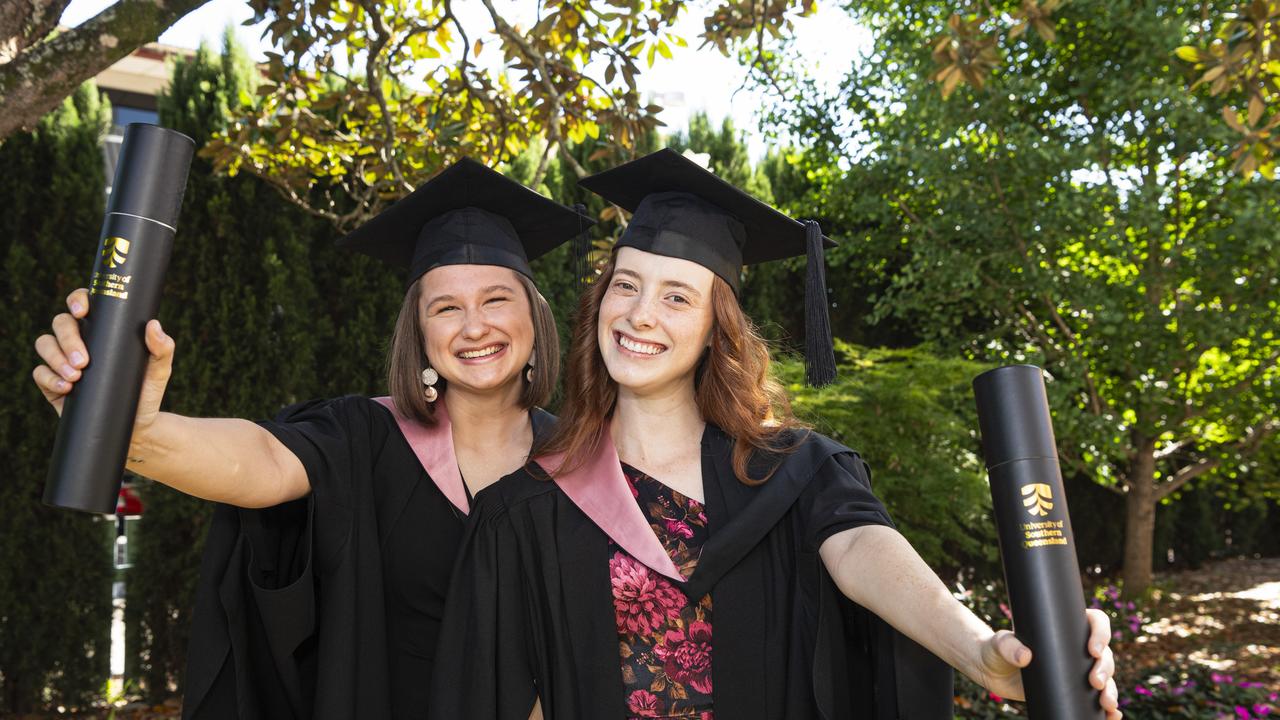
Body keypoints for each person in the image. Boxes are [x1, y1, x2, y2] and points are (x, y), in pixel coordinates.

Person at [430, 149, 1122, 719]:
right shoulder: (525, 508)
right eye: (626, 285)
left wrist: (980, 652)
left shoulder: (793, 473)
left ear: (713, 330)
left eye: (677, 297)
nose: (640, 315)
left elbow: (862, 550)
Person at [31, 158, 589, 719]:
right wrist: (136, 430)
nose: (474, 326)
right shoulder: (365, 437)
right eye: (446, 308)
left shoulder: (581, 465)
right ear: (420, 338)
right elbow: (263, 461)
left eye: (496, 299)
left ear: (534, 318)